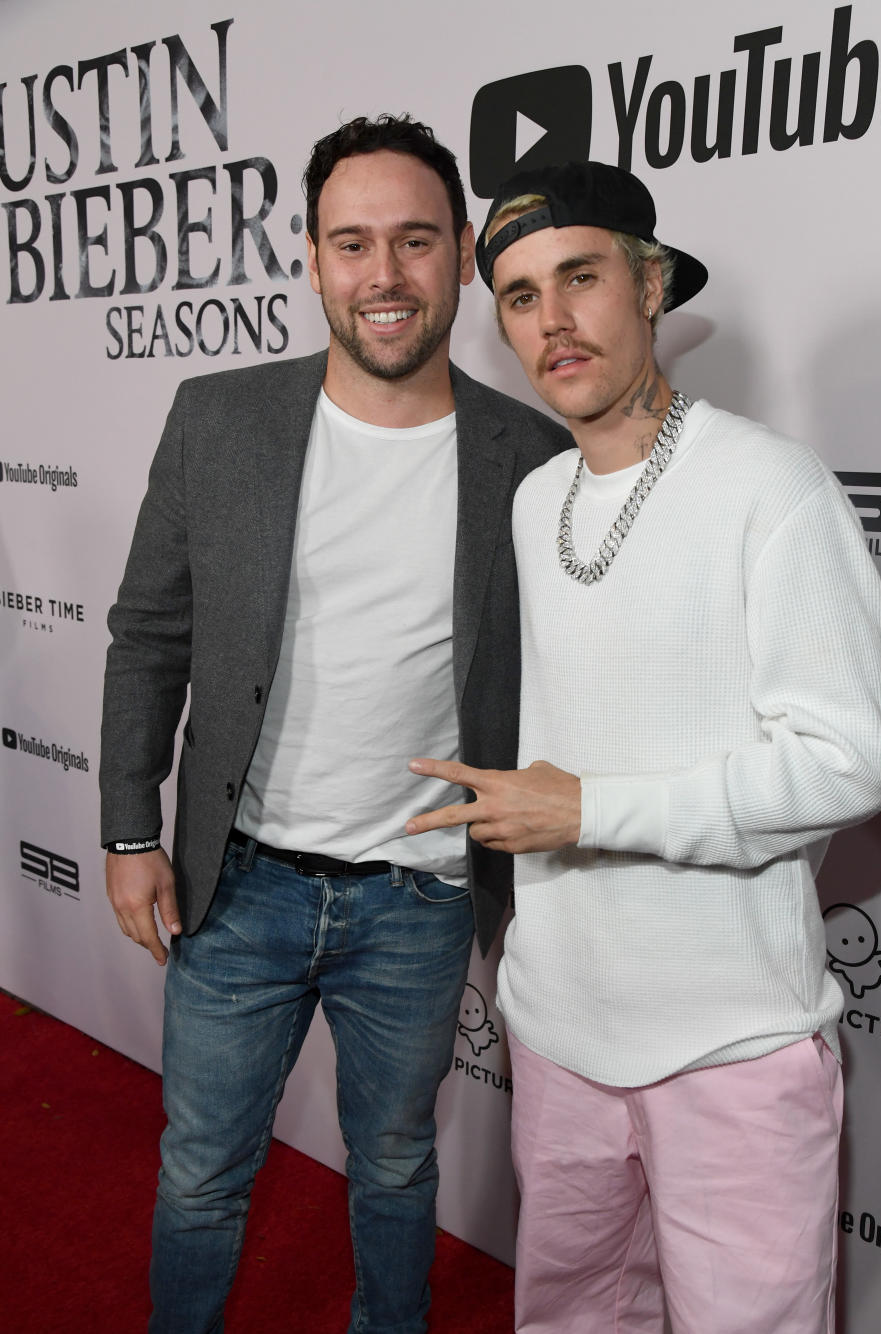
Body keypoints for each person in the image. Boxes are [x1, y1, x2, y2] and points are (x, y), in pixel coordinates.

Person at [406, 160, 881, 1334]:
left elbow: (846, 761)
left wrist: (590, 810)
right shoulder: (538, 500)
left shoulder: (770, 487)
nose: (552, 322)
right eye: (520, 296)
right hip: (559, 1033)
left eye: (580, 278)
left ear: (653, 281)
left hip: (729, 1046)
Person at [99, 115, 569, 1334]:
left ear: (463, 254)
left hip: (417, 899)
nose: (384, 274)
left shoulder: (528, 453)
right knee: (201, 1172)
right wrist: (126, 829)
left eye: (415, 240)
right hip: (237, 882)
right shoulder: (218, 417)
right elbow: (149, 635)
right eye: (351, 242)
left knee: (398, 1164)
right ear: (309, 259)